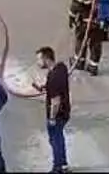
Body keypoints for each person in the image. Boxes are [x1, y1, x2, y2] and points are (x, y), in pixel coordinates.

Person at [34, 46, 71, 174]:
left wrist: (51, 118)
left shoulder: (53, 77)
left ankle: (58, 167)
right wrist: (44, 87)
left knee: (55, 140)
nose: (38, 63)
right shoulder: (61, 68)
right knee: (59, 138)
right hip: (65, 111)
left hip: (58, 114)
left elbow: (55, 101)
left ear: (46, 59)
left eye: (39, 59)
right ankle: (63, 164)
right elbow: (56, 87)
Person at [68, 0, 106, 75]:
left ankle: (79, 62)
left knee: (81, 42)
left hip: (84, 23)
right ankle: (93, 67)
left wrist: (71, 18)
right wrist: (105, 25)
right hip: (98, 24)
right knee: (95, 45)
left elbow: (75, 5)